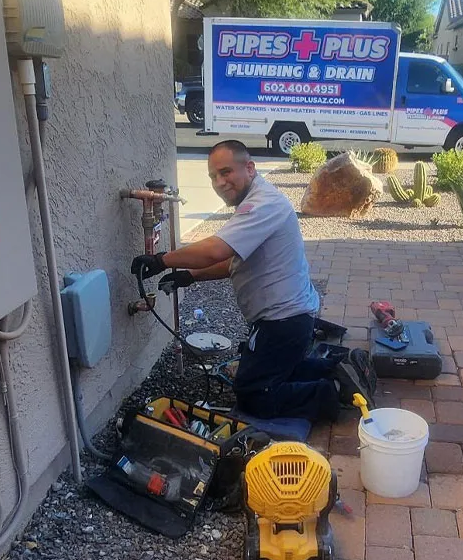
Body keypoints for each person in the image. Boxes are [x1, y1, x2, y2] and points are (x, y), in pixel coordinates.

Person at [131, 140, 352, 422]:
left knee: (253, 396)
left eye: (226, 172)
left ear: (249, 168)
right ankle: (336, 369)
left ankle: (329, 395)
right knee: (275, 370)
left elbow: (215, 250)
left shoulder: (263, 204)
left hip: (284, 322)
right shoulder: (257, 201)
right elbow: (234, 261)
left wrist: (162, 259)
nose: (219, 182)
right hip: (289, 320)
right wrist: (189, 276)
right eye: (213, 176)